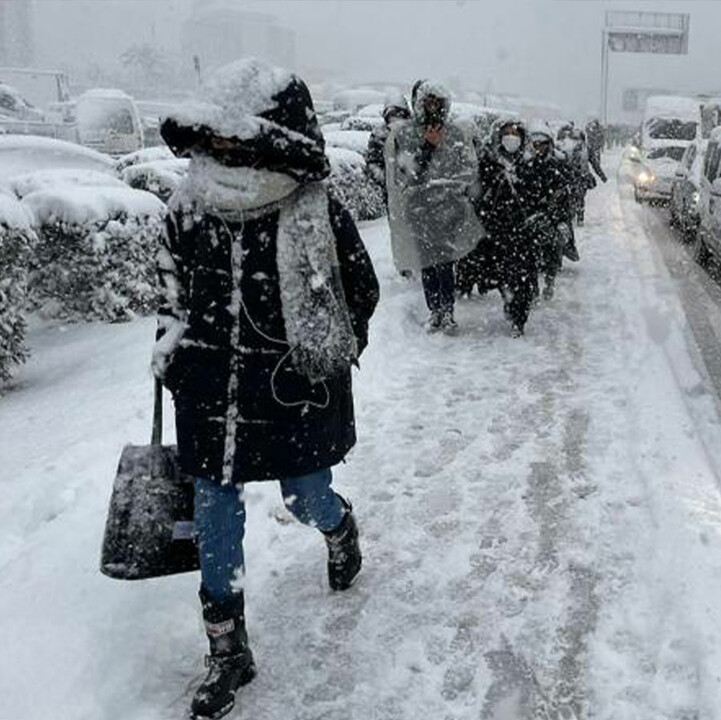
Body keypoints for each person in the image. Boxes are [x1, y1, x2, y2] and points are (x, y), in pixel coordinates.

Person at [155, 58, 380, 720]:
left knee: (304, 496)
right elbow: (169, 293)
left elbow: (358, 293)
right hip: (209, 390)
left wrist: (324, 354)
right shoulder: (188, 206)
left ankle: (339, 528)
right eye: (217, 138)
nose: (224, 150)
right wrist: (173, 355)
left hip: (290, 391)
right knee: (215, 513)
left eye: (238, 138)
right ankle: (227, 649)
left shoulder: (314, 210)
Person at [385, 80, 483, 331]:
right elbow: (407, 175)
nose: (433, 108)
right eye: (428, 102)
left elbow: (465, 169)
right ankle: (434, 311)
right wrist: (428, 147)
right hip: (420, 209)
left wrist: (457, 190)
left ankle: (447, 311)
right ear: (419, 104)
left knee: (446, 262)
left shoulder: (456, 134)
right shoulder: (406, 134)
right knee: (427, 261)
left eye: (438, 103)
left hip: (449, 208)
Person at [475, 120, 539, 337]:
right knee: (502, 274)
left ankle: (519, 317)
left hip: (523, 230)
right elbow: (480, 193)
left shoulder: (530, 164)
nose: (511, 138)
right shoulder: (489, 161)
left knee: (523, 276)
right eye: (507, 133)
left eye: (515, 134)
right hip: (497, 229)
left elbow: (537, 194)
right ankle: (509, 301)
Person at [522, 123, 573, 301]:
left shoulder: (557, 165)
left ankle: (549, 283)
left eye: (542, 144)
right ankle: (534, 288)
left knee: (553, 253)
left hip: (552, 216)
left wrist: (559, 218)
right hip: (532, 217)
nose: (539, 148)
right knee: (530, 257)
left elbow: (564, 194)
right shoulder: (526, 165)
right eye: (535, 144)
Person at [365, 100, 410, 196]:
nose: (395, 121)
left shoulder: (412, 134)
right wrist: (385, 179)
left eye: (399, 116)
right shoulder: (380, 135)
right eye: (392, 117)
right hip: (389, 189)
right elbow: (373, 162)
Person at [557, 123, 593, 231]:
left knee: (580, 197)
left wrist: (602, 176)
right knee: (571, 196)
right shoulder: (565, 148)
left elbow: (593, 162)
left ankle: (580, 216)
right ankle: (573, 214)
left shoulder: (585, 149)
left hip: (582, 177)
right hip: (571, 177)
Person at [584, 118, 608, 185]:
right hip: (592, 146)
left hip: (595, 147)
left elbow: (602, 138)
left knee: (596, 161)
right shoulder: (590, 130)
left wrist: (601, 145)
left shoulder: (598, 130)